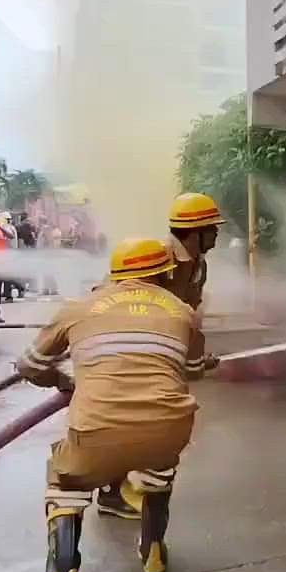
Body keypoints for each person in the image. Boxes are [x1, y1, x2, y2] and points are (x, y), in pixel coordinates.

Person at [15, 237, 217, 572]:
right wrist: (201, 361)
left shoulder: (79, 308)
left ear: (115, 274)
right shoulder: (182, 311)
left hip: (97, 427)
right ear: (164, 273)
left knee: (65, 479)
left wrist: (62, 379)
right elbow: (191, 370)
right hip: (167, 426)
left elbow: (29, 365)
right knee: (159, 467)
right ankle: (154, 549)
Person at [96, 193, 226, 521]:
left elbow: (188, 314)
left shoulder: (198, 265)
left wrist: (193, 357)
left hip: (154, 350)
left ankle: (124, 488)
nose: (217, 234)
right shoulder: (157, 255)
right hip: (125, 347)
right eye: (212, 228)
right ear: (194, 232)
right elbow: (112, 297)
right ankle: (111, 493)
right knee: (126, 422)